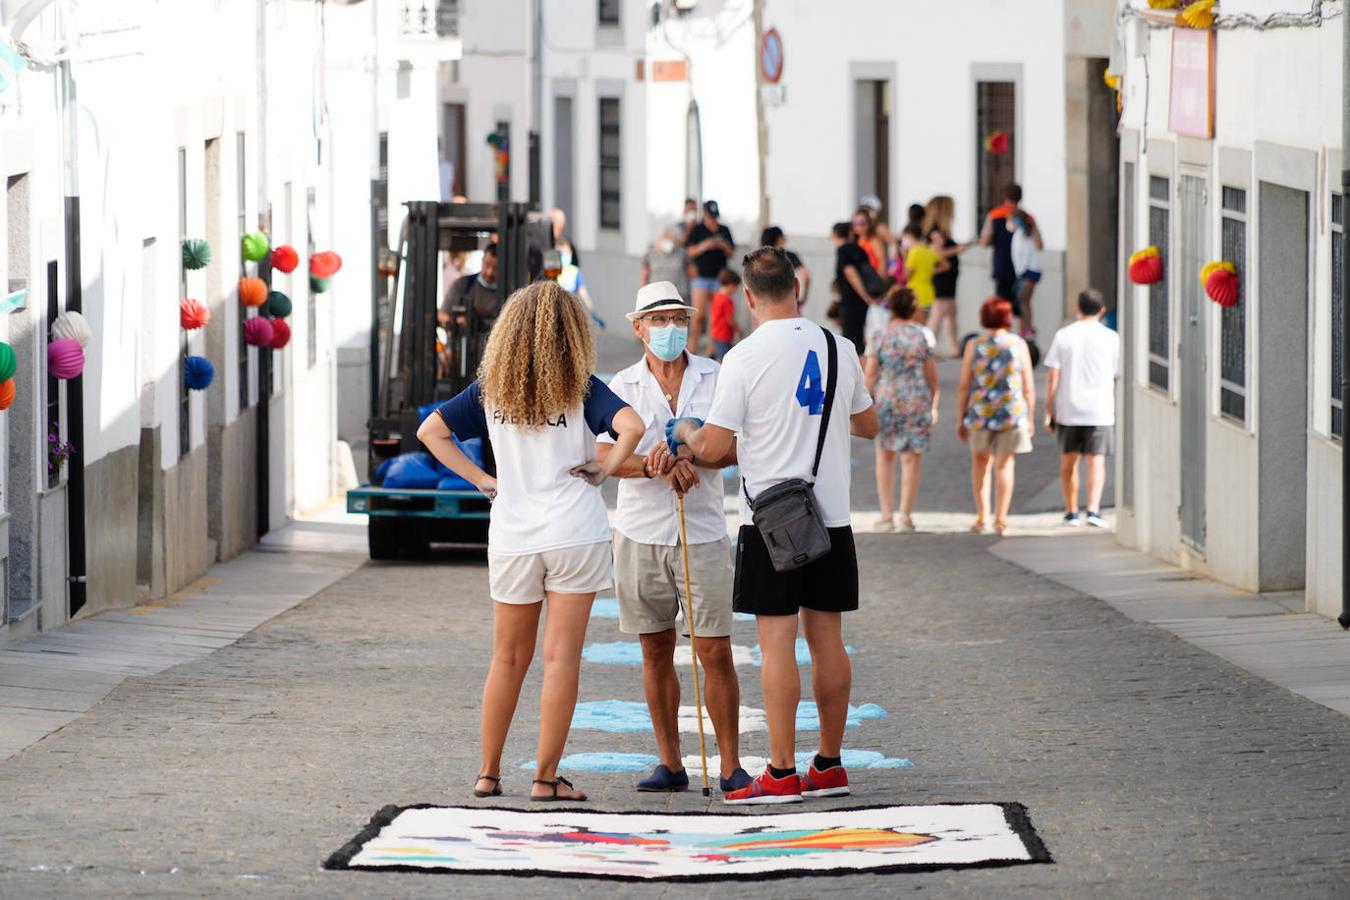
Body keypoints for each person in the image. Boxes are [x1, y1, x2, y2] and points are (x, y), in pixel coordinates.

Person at [416, 281, 646, 803]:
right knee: (561, 658)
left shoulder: (491, 390)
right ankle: (545, 779)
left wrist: (482, 481)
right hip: (575, 534)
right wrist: (605, 467)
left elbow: (431, 431)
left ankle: (488, 773)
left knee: (507, 658)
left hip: (514, 534)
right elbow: (631, 426)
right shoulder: (582, 388)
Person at [667, 247, 880, 805]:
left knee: (777, 642)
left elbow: (716, 446)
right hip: (830, 515)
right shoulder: (840, 347)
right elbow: (868, 423)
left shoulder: (742, 357)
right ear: (798, 288)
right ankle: (830, 764)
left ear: (747, 296)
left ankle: (782, 772)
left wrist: (686, 431)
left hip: (770, 520)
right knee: (828, 639)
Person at [596, 281, 751, 796]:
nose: (669, 328)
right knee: (654, 648)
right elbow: (603, 456)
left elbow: (732, 449)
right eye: (658, 320)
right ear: (638, 327)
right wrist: (654, 466)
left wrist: (689, 455)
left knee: (714, 650)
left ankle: (730, 765)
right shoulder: (619, 383)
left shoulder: (716, 375)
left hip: (702, 532)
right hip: (640, 532)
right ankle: (670, 763)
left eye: (677, 318)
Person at [957, 298, 1035, 535]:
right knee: (1005, 465)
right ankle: (1001, 518)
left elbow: (964, 384)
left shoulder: (975, 344)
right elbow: (1028, 385)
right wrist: (1030, 417)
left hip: (981, 412)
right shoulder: (1018, 344)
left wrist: (960, 416)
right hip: (1011, 413)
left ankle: (982, 515)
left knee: (980, 463)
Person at [865, 286, 939, 533]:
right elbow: (932, 377)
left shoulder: (880, 336)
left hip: (887, 399)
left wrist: (865, 403)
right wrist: (934, 404)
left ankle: (886, 514)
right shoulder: (923, 335)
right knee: (910, 458)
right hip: (916, 399)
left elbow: (871, 374)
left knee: (884, 456)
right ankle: (905, 515)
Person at [1044, 289, 1119, 528]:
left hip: (1069, 407)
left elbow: (1053, 372)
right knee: (1096, 460)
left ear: (1078, 309)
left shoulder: (1064, 335)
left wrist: (1049, 405)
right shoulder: (1111, 337)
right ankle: (1094, 510)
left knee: (1069, 461)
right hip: (1100, 408)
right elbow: (1117, 371)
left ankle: (1071, 510)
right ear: (1102, 310)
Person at [923, 195, 971, 356]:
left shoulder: (942, 231)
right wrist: (958, 249)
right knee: (938, 313)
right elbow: (936, 253)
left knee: (951, 312)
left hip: (950, 277)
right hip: (942, 278)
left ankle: (954, 347)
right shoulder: (934, 231)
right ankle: (927, 348)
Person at [686, 200, 735, 350]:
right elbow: (689, 251)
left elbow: (731, 252)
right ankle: (692, 347)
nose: (714, 220)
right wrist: (704, 246)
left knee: (716, 316)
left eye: (715, 217)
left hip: (719, 279)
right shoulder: (697, 230)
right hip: (701, 278)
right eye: (711, 217)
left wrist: (723, 245)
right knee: (698, 316)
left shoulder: (724, 230)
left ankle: (711, 349)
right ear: (705, 215)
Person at [831, 222, 880, 354]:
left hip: (850, 301)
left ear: (835, 235)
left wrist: (863, 295)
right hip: (861, 302)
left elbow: (851, 273)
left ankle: (857, 371)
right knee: (859, 337)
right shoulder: (860, 249)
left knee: (851, 340)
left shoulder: (843, 251)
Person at [979, 184, 1025, 315]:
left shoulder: (994, 214)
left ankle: (1003, 329)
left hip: (1002, 263)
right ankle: (1022, 333)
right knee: (1021, 305)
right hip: (1022, 266)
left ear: (1004, 196)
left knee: (1002, 303)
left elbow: (985, 241)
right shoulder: (1026, 216)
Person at [901, 223, 949, 326]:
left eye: (904, 236)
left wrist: (904, 256)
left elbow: (906, 275)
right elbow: (946, 265)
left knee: (914, 328)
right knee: (922, 327)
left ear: (910, 235)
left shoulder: (914, 252)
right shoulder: (927, 250)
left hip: (915, 294)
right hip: (928, 294)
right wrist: (930, 271)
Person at [1009, 210, 1044, 337]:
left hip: (1029, 271)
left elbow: (1039, 246)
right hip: (1024, 272)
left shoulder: (1026, 233)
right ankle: (1026, 328)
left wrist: (1034, 226)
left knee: (1023, 300)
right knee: (1023, 301)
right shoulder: (1020, 233)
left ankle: (1028, 328)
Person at [761, 226, 811, 311]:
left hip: (765, 301)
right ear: (779, 238)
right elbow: (805, 275)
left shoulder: (760, 257)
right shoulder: (789, 256)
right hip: (788, 301)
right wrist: (803, 297)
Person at [640, 225, 693, 302]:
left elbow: (692, 274)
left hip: (679, 295)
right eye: (665, 238)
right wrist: (643, 295)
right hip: (657, 296)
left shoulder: (682, 253)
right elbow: (644, 276)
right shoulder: (650, 254)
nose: (668, 241)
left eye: (670, 238)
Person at [707, 269, 742, 361]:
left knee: (719, 356)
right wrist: (738, 329)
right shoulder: (727, 300)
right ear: (731, 285)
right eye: (736, 287)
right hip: (724, 335)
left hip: (716, 334)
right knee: (724, 359)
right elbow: (729, 319)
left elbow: (712, 318)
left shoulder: (716, 297)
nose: (736, 290)